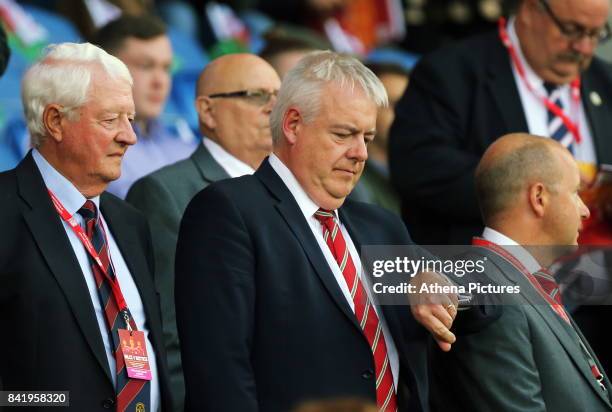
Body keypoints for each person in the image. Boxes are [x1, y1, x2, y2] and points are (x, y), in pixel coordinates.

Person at [175, 50, 458, 412]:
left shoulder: (381, 225)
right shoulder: (230, 211)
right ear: (293, 125)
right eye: (344, 134)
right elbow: (219, 374)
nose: (361, 154)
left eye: (368, 138)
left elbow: (487, 303)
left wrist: (439, 283)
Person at [0, 42, 172, 411]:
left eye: (131, 119)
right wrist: (49, 405)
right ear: (55, 122)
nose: (130, 136)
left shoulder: (130, 222)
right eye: (111, 120)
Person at [126, 52, 281, 411]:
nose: (275, 109)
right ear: (208, 111)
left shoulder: (292, 191)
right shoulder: (164, 192)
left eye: (279, 97)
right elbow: (169, 331)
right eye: (257, 96)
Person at [389, 0, 612, 246]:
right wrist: (533, 186)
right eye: (571, 29)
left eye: (596, 33)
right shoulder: (451, 72)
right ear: (530, 10)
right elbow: (418, 168)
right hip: (479, 274)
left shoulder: (606, 81)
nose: (583, 46)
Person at [430, 133, 612, 411]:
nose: (585, 211)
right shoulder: (487, 288)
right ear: (539, 197)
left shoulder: (522, 280)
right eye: (576, 192)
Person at [93, 14, 198, 198]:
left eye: (166, 68)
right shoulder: (87, 150)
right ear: (106, 70)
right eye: (146, 66)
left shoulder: (185, 146)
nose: (160, 81)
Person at [359, 62, 408, 214]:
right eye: (396, 105)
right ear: (366, 107)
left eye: (411, 106)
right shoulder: (351, 180)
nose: (407, 115)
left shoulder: (421, 173)